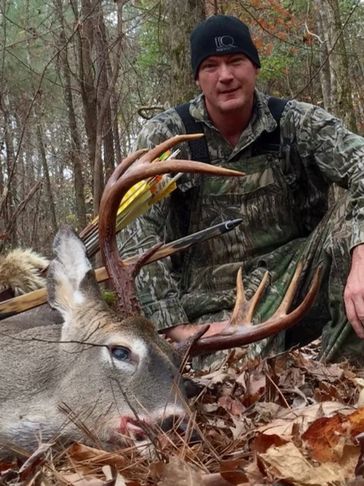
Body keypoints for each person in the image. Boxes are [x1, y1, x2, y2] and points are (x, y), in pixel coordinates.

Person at [118, 15, 364, 365]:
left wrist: (360, 253)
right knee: (235, 380)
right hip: (213, 305)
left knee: (353, 227)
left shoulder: (295, 122)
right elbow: (136, 234)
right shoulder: (167, 136)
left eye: (235, 61)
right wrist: (174, 327)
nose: (225, 76)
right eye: (211, 66)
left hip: (299, 283)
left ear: (254, 67)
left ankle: (340, 379)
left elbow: (360, 163)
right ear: (197, 78)